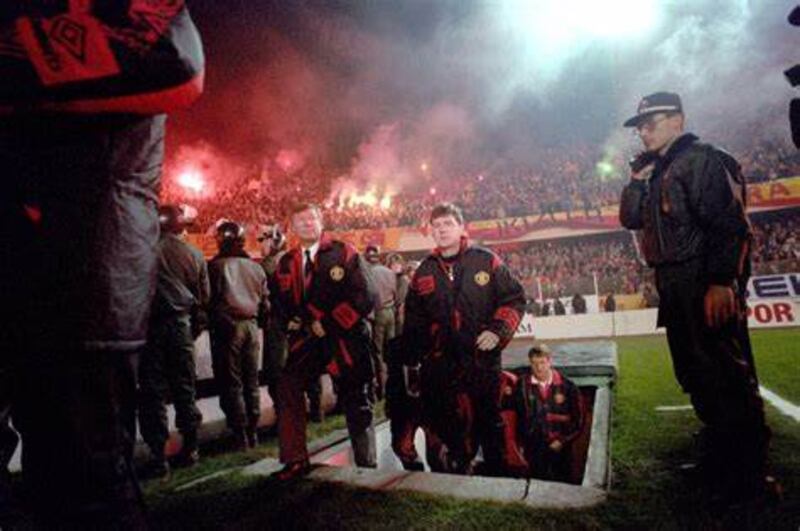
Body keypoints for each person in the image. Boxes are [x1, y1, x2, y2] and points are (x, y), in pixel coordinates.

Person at [0, 2, 203, 526]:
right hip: (35, 242)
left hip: (81, 259)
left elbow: (175, 59)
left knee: (82, 482)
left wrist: (14, 57)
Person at [619, 91, 774, 505]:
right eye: (640, 126)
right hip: (673, 282)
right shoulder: (655, 170)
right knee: (695, 373)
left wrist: (721, 281)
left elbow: (729, 224)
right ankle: (721, 459)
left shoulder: (702, 158)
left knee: (725, 373)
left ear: (678, 120)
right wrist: (636, 181)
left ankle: (750, 475)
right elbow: (629, 219)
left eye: (652, 123)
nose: (644, 132)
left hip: (702, 279)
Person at [401, 202, 526, 475]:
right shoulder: (423, 271)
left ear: (461, 227)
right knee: (448, 425)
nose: (442, 229)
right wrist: (418, 357)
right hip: (442, 366)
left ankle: (497, 478)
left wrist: (497, 331)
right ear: (431, 232)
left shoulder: (486, 260)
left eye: (448, 224)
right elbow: (413, 321)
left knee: (489, 422)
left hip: (482, 360)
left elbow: (515, 299)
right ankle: (458, 476)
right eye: (436, 225)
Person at [271, 203, 377, 480]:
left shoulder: (344, 252)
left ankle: (366, 467)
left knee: (356, 399)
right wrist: (289, 320)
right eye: (300, 220)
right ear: (292, 227)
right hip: (309, 340)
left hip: (346, 339)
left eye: (311, 218)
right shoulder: (286, 262)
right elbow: (278, 300)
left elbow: (366, 296)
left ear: (321, 222)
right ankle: (295, 460)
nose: (307, 224)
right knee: (288, 384)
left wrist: (329, 323)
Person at [138, 204, 209, 480]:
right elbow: (203, 298)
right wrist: (192, 329)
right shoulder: (193, 253)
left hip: (150, 328)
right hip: (181, 326)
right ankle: (191, 448)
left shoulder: (141, 250)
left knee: (152, 392)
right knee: (184, 388)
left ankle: (159, 456)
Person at [208, 221, 268, 450]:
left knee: (231, 382)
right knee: (251, 381)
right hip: (251, 326)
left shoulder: (215, 267)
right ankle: (253, 431)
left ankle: (240, 433)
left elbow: (207, 299)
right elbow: (265, 303)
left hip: (226, 328)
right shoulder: (255, 268)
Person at [513, 344, 583, 483]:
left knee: (563, 483)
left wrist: (562, 440)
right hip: (534, 448)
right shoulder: (522, 386)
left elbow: (579, 419)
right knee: (536, 483)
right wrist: (521, 443)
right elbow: (516, 416)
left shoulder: (568, 386)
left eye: (542, 363)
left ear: (549, 361)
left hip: (561, 448)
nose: (539, 368)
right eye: (534, 364)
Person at [364, 244, 397, 398]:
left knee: (378, 353)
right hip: (390, 311)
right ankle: (395, 385)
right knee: (391, 350)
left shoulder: (368, 273)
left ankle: (382, 389)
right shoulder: (389, 272)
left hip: (377, 314)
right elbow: (395, 293)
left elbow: (369, 295)